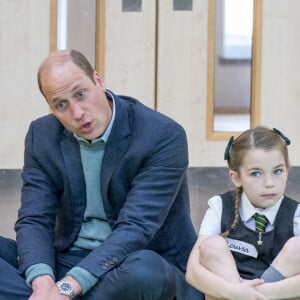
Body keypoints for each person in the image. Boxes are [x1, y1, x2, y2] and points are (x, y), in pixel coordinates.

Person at [0, 49, 203, 300]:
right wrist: (43, 285)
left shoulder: (162, 135)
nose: (77, 113)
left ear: (99, 81)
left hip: (132, 260)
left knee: (146, 272)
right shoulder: (41, 136)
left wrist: (65, 290)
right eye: (61, 104)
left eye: (80, 94)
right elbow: (34, 219)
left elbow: (136, 228)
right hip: (67, 260)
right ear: (51, 108)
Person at [185, 126, 300, 300]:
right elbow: (192, 272)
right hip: (229, 295)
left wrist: (254, 295)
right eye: (256, 173)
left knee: (297, 248)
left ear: (287, 170)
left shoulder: (296, 214)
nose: (269, 183)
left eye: (277, 171)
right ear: (236, 177)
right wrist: (234, 292)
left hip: (274, 296)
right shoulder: (220, 207)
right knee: (211, 246)